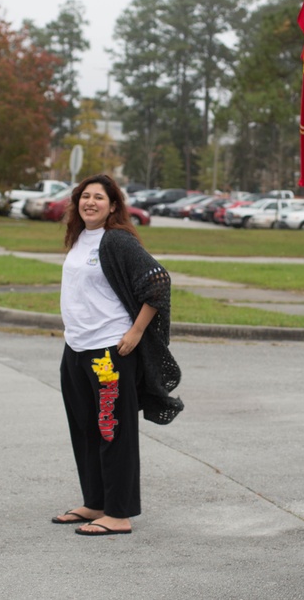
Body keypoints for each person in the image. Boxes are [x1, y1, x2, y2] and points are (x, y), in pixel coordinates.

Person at [52, 173, 183, 536]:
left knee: (113, 431)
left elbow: (158, 282)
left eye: (99, 197)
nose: (90, 202)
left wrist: (136, 331)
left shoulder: (117, 240)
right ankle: (95, 502)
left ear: (113, 206)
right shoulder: (79, 238)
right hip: (76, 348)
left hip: (108, 352)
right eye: (85, 196)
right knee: (85, 429)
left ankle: (119, 513)